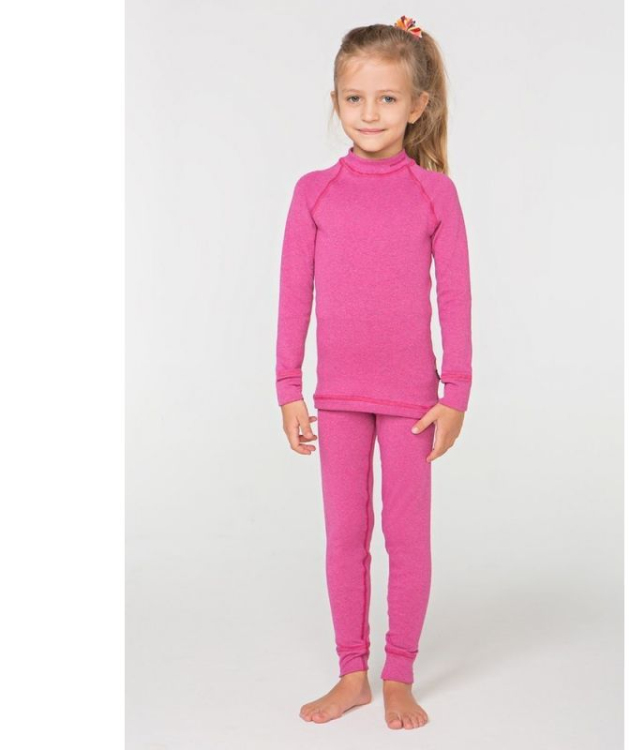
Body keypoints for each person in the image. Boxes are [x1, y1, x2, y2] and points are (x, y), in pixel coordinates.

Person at [275, 15, 473, 731]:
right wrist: (288, 388)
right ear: (336, 101)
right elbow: (294, 293)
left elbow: (456, 298)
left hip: (413, 402)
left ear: (417, 105)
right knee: (345, 538)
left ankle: (399, 674)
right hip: (337, 399)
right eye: (355, 98)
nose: (369, 113)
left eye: (387, 99)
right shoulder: (314, 191)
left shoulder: (434, 194)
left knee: (407, 541)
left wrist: (456, 393)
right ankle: (352, 671)